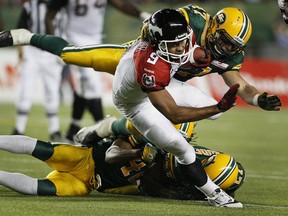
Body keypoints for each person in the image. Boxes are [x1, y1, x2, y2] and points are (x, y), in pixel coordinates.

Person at [0, 8, 243, 207]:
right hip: (135, 92)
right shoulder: (151, 67)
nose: (182, 47)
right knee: (71, 54)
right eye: (176, 44)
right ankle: (27, 36)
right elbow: (173, 113)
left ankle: (104, 128)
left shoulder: (174, 46)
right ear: (159, 44)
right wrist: (214, 105)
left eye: (183, 42)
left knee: (202, 125)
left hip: (99, 171)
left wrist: (198, 57)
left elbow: (180, 52)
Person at [0, 122, 245, 200]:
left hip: (89, 185)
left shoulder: (186, 158)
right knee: (43, 149)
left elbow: (149, 187)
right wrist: (140, 154)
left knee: (41, 189)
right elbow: (111, 155)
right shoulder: (141, 136)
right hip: (86, 159)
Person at [45, 0, 151, 142]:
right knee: (93, 84)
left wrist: (140, 13)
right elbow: (49, 16)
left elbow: (120, 4)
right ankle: (103, 131)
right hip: (73, 38)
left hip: (95, 38)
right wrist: (54, 46)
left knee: (84, 86)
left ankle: (73, 130)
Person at [10, 0, 65, 141]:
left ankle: (54, 130)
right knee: (26, 89)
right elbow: (20, 29)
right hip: (32, 51)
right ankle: (19, 128)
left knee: (52, 90)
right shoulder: (30, 5)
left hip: (52, 52)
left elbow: (66, 28)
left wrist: (64, 49)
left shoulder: (61, 5)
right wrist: (21, 53)